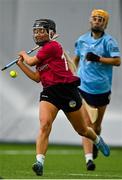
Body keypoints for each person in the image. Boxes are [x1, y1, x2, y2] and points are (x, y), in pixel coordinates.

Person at [16, 18, 110, 176]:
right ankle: (39, 162)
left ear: (50, 32)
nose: (37, 34)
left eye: (41, 30)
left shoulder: (52, 46)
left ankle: (97, 140)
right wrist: (20, 64)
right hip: (49, 93)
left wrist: (23, 55)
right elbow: (36, 77)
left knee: (82, 130)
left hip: (67, 91)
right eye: (35, 31)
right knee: (45, 125)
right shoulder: (42, 53)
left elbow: (31, 61)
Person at [73, 9, 121, 171]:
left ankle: (96, 140)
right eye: (95, 18)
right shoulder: (81, 40)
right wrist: (71, 75)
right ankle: (89, 160)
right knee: (87, 124)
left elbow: (117, 61)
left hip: (101, 89)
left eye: (101, 19)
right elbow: (76, 59)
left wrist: (98, 58)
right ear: (90, 20)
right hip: (83, 88)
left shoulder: (109, 42)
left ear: (105, 23)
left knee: (97, 126)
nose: (97, 21)